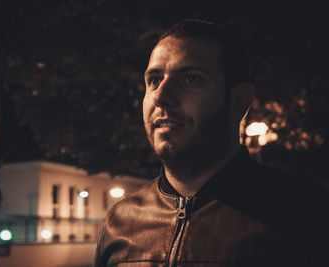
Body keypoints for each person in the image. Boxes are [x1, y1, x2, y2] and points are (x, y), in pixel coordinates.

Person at [94, 19, 328, 267]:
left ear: (239, 100)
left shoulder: (308, 217)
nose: (161, 96)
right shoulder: (119, 221)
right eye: (154, 80)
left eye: (190, 79)